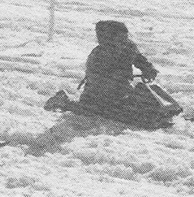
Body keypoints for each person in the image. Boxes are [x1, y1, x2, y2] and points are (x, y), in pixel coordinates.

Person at [45, 21, 181, 127]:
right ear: (108, 40)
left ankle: (165, 107)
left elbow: (138, 58)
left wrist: (147, 68)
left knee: (143, 91)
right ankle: (64, 101)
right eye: (120, 38)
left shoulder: (128, 47)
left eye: (126, 37)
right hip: (99, 94)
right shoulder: (98, 56)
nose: (125, 41)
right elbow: (99, 81)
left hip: (122, 90)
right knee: (101, 111)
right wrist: (120, 81)